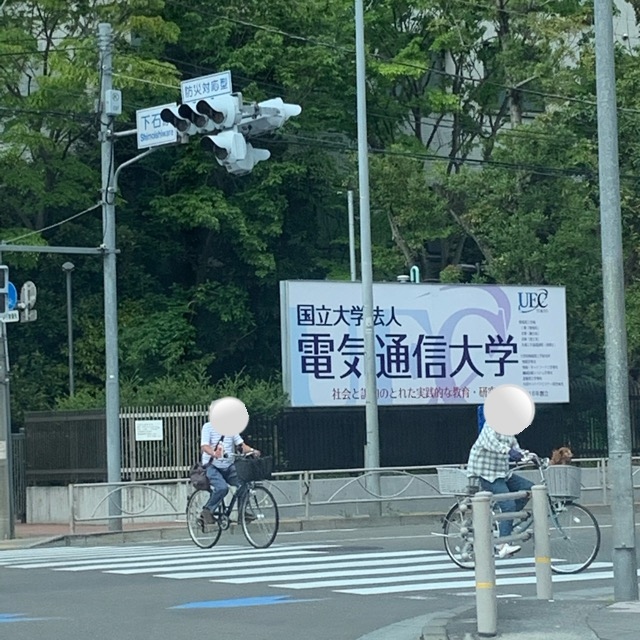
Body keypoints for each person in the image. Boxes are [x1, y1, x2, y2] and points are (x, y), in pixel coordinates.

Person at [466, 422, 534, 558]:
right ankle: (502, 544)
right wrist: (509, 451)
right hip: (486, 474)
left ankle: (504, 520)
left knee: (529, 488)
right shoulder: (490, 426)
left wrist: (529, 456)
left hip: (502, 473)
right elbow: (491, 443)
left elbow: (516, 448)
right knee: (509, 505)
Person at [200, 405, 261, 524]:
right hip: (212, 466)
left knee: (244, 484)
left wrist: (252, 450)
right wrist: (214, 453)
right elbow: (204, 446)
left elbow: (241, 445)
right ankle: (207, 510)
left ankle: (242, 514)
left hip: (228, 466)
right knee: (222, 488)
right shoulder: (207, 427)